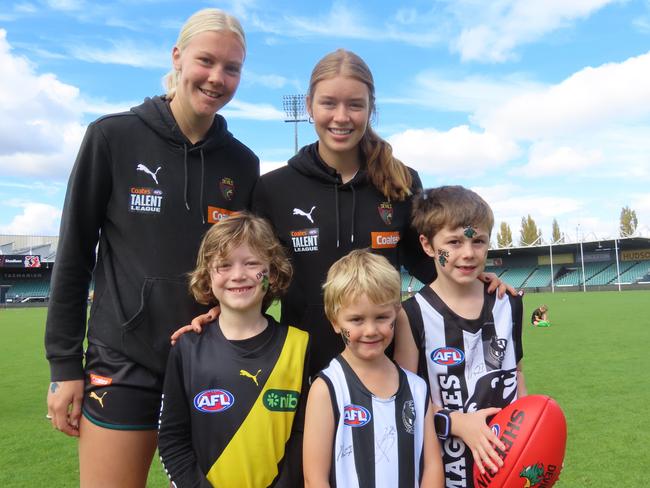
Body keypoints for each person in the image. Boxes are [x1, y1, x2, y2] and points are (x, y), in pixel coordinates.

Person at [178, 49, 513, 378]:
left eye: (355, 105)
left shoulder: (402, 182)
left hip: (387, 364)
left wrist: (474, 280)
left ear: (371, 109)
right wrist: (222, 312)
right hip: (302, 367)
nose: (341, 117)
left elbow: (427, 264)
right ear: (309, 105)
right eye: (329, 103)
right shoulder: (273, 188)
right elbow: (260, 274)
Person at [44, 8, 258, 487]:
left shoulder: (243, 163)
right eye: (207, 61)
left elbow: (246, 265)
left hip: (208, 363)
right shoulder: (112, 137)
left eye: (232, 68)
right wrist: (63, 365)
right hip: (122, 364)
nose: (217, 78)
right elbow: (75, 255)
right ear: (178, 57)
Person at [158, 212, 309, 487]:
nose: (238, 275)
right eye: (224, 265)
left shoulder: (299, 346)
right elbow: (171, 439)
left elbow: (305, 433)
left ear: (272, 274)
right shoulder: (187, 347)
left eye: (252, 264)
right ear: (207, 275)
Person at [393, 186, 527, 488]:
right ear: (427, 246)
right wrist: (456, 423)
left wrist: (532, 431)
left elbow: (517, 375)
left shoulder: (510, 304)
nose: (468, 253)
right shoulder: (411, 315)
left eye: (478, 241)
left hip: (505, 463)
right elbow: (405, 399)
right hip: (445, 470)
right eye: (453, 242)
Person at [303, 249, 443, 487]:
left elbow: (431, 465)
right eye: (356, 320)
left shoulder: (417, 388)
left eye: (381, 317)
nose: (370, 330)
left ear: (396, 313)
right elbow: (314, 478)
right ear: (335, 321)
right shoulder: (327, 388)